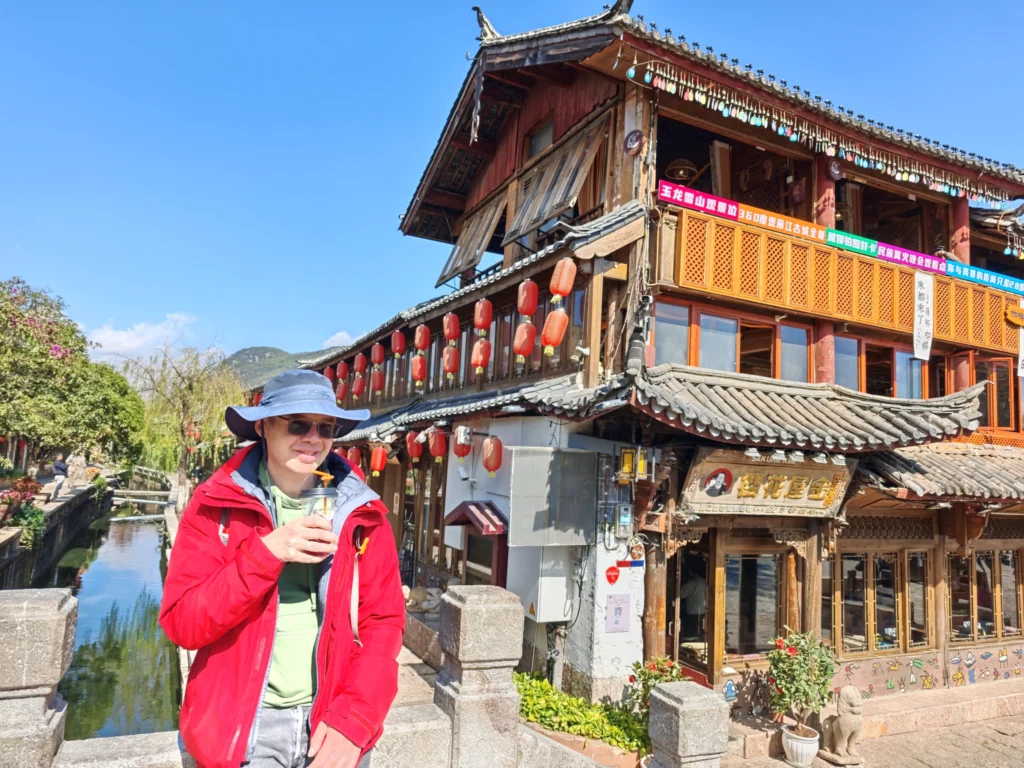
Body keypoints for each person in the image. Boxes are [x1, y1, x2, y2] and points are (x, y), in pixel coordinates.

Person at [159, 370, 405, 768]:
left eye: (325, 427)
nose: (313, 438)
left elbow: (383, 622)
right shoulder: (215, 506)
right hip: (246, 731)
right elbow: (183, 624)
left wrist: (354, 722)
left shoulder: (361, 513)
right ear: (262, 427)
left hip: (333, 724)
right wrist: (265, 554)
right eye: (297, 424)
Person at [678, 561, 707, 641]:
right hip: (703, 611)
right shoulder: (704, 582)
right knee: (700, 633)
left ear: (690, 572)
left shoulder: (691, 583)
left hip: (692, 612)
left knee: (691, 635)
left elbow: (680, 594)